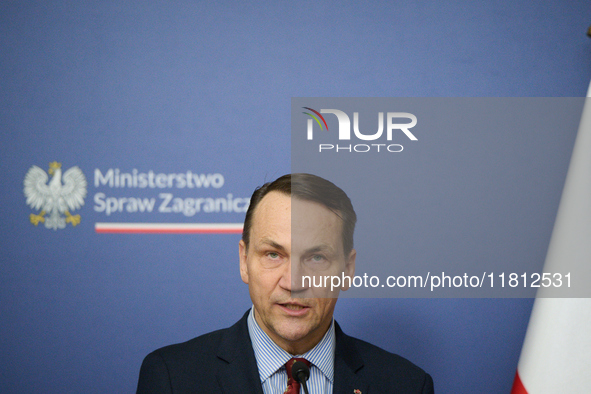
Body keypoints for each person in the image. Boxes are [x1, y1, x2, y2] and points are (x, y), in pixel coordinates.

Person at [137, 173, 434, 393]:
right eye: (273, 254)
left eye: (316, 257)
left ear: (347, 268)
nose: (293, 282)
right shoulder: (172, 378)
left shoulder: (406, 385)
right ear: (244, 261)